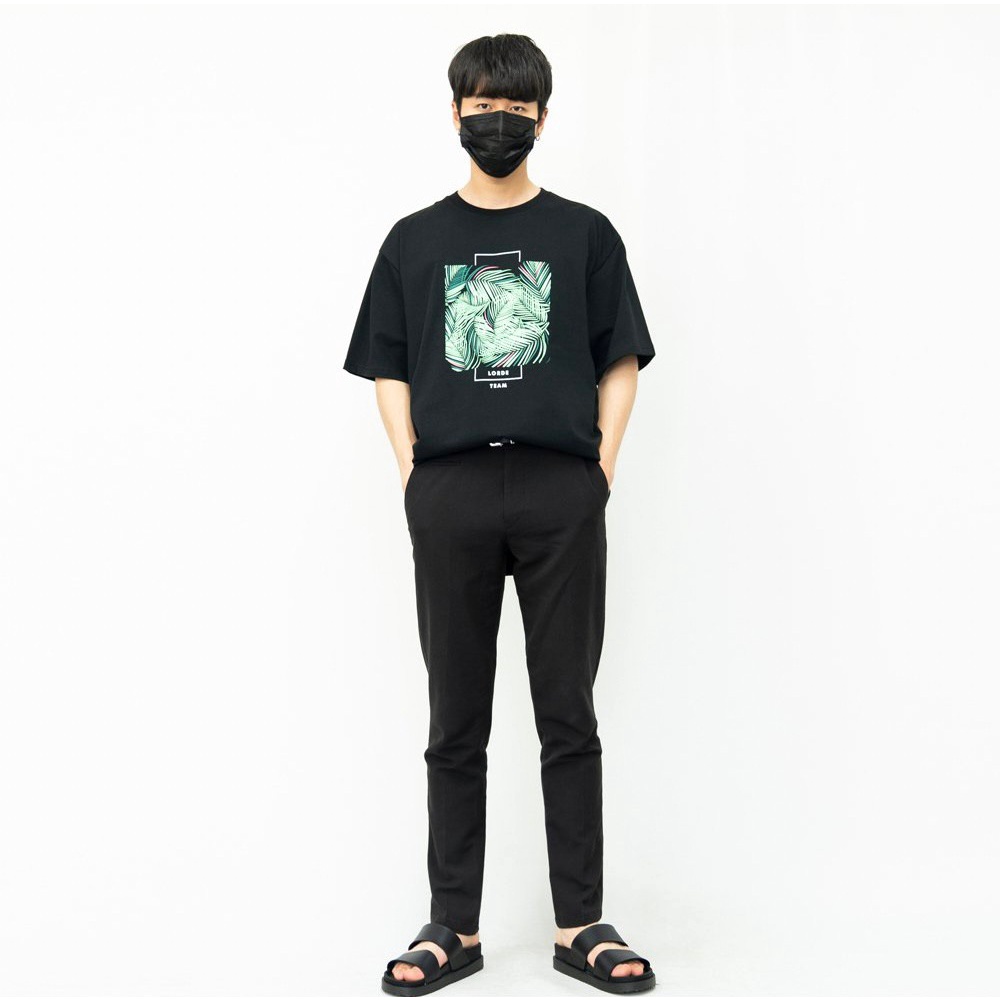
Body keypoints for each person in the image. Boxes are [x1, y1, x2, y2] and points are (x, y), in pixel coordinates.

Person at [343, 33, 658, 997]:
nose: (499, 122)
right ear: (454, 113)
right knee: (455, 717)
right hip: (451, 492)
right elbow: (388, 364)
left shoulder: (585, 235)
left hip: (561, 489)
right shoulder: (412, 241)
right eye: (483, 105)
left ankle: (579, 924)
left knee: (568, 712)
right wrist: (413, 471)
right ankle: (454, 926)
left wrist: (599, 469)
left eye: (518, 109)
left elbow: (619, 358)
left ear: (543, 120)